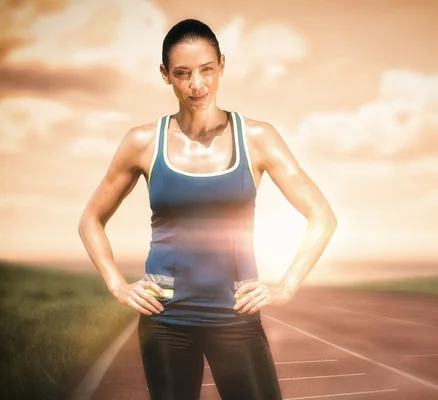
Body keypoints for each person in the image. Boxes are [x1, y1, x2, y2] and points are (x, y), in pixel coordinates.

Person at [78, 18, 337, 400]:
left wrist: (286, 285)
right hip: (165, 321)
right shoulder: (143, 142)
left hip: (235, 316)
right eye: (182, 73)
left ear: (222, 66)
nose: (196, 85)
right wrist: (118, 286)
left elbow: (322, 216)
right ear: (166, 75)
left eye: (206, 70)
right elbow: (90, 220)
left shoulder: (257, 137)